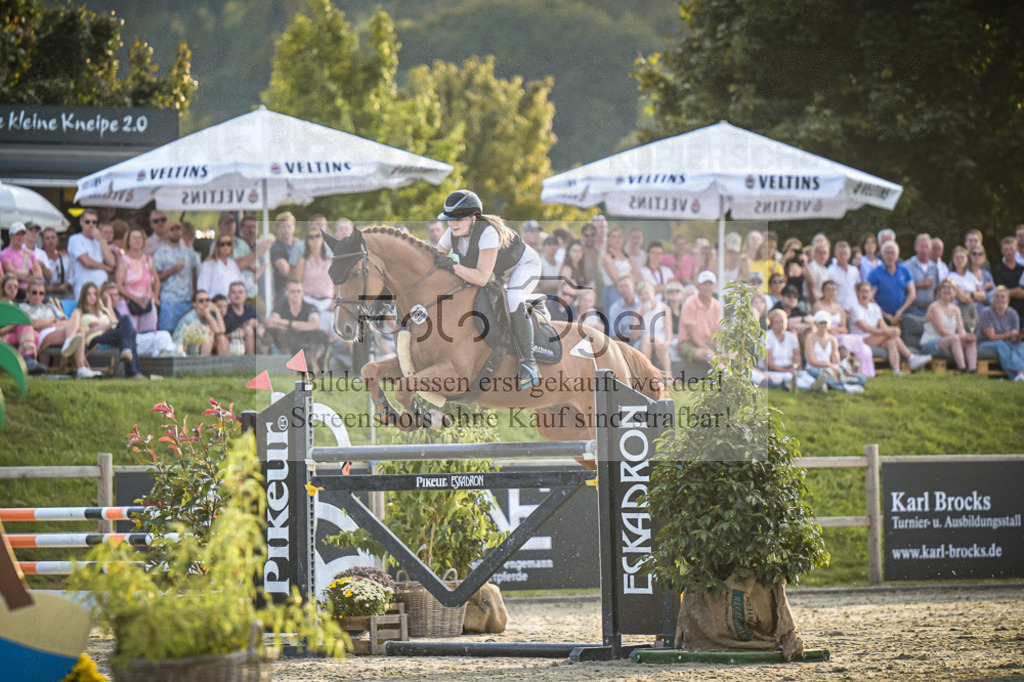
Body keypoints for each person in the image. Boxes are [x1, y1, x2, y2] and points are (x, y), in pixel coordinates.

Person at [434, 189, 543, 388]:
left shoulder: (488, 233)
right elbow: (435, 259)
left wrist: (452, 265)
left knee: (513, 298)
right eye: (450, 219)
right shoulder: (451, 233)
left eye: (458, 219)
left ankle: (530, 363)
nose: (452, 224)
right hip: (498, 272)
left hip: (524, 265)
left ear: (474, 218)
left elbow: (481, 278)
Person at [19, 280, 100, 378]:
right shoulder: (23, 307)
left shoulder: (50, 306)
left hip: (58, 329)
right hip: (40, 334)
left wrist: (48, 323)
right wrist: (53, 320)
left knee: (77, 317)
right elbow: (34, 324)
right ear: (28, 293)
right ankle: (80, 367)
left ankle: (69, 341)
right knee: (79, 330)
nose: (38, 296)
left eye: (41, 293)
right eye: (34, 292)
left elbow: (66, 321)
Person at [850, 281, 930, 374]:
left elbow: (882, 324)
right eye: (862, 291)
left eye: (867, 291)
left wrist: (890, 330)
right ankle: (911, 357)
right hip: (861, 339)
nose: (865, 294)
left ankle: (896, 371)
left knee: (891, 342)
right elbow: (864, 328)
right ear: (857, 293)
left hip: (876, 338)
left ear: (871, 293)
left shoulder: (875, 307)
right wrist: (888, 332)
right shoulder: (855, 307)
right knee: (892, 335)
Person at [67, 281, 142, 379]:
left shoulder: (103, 311)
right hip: (94, 339)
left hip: (109, 334)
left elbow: (116, 324)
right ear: (83, 296)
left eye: (95, 294)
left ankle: (127, 353)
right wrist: (95, 329)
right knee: (129, 334)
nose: (92, 297)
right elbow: (76, 333)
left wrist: (106, 317)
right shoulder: (79, 312)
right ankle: (133, 372)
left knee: (126, 320)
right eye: (89, 294)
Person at [262, 278, 329, 372]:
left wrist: (287, 323)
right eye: (292, 291)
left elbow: (314, 325)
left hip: (306, 342)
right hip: (287, 341)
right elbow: (272, 322)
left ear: (303, 293)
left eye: (298, 291)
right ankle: (264, 364)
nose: (296, 294)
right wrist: (303, 326)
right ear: (287, 293)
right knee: (267, 332)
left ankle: (317, 368)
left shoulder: (310, 307)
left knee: (320, 336)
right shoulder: (280, 307)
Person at [814, 280, 875, 379]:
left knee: (861, 345)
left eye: (833, 290)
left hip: (839, 334)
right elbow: (816, 324)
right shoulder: (818, 306)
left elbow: (844, 328)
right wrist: (828, 330)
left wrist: (837, 330)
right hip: (824, 333)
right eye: (828, 289)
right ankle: (845, 369)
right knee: (844, 342)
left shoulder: (839, 307)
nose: (830, 292)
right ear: (823, 291)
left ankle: (863, 372)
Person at [153, 220, 200, 333]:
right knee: (168, 333)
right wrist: (172, 270)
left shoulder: (190, 253)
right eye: (172, 229)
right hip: (169, 300)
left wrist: (195, 296)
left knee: (188, 334)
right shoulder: (160, 253)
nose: (175, 232)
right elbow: (156, 278)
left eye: (178, 229)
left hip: (187, 300)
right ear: (166, 233)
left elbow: (195, 275)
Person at [921, 279, 977, 373]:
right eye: (944, 287)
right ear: (939, 291)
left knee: (970, 339)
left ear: (954, 292)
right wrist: (961, 337)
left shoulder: (956, 309)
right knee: (955, 338)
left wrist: (967, 336)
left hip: (949, 340)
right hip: (930, 342)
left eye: (949, 287)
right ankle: (962, 369)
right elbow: (942, 331)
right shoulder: (934, 307)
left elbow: (961, 329)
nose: (947, 290)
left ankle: (972, 369)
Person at [114, 227, 160, 333]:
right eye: (134, 238)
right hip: (128, 302)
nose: (137, 240)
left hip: (147, 302)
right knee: (130, 333)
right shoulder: (123, 261)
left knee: (149, 333)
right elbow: (118, 285)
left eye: (139, 238)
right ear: (128, 241)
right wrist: (136, 299)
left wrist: (156, 297)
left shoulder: (148, 259)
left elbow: (156, 279)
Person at [0, 273, 46, 374]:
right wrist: (17, 321)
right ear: (3, 288)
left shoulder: (16, 305)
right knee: (28, 328)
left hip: (14, 336)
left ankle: (29, 361)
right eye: (9, 287)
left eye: (15, 287)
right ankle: (28, 361)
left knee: (34, 333)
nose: (13, 289)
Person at [293, 227, 335, 335]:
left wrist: (335, 301)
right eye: (311, 237)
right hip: (308, 302)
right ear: (307, 240)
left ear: (323, 239)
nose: (315, 239)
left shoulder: (330, 261)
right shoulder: (303, 260)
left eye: (318, 236)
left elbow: (337, 284)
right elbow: (297, 284)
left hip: (328, 303)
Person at [67, 209, 116, 300]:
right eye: (87, 222)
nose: (91, 224)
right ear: (81, 223)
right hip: (84, 288)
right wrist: (105, 267)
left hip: (102, 288)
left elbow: (112, 262)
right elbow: (86, 262)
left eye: (94, 222)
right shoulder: (75, 239)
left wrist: (101, 240)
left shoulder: (100, 241)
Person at [977, 287, 1024, 381]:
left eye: (1002, 297)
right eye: (997, 297)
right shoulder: (986, 312)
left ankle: (1020, 373)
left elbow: (1013, 339)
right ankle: (1014, 376)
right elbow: (992, 337)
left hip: (1007, 343)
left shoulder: (1013, 313)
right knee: (1001, 344)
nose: (999, 299)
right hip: (984, 343)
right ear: (993, 299)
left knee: (1021, 345)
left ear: (1008, 300)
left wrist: (1020, 335)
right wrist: (1010, 334)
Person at [677, 271, 722, 364]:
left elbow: (718, 332)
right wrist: (711, 350)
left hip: (709, 343)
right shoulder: (690, 303)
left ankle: (754, 374)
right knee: (709, 354)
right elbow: (693, 337)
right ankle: (725, 372)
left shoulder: (717, 305)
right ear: (698, 285)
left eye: (710, 284)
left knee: (732, 352)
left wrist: (720, 349)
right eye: (704, 284)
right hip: (688, 344)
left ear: (715, 286)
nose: (707, 287)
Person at [867, 241, 916, 324]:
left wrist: (900, 311)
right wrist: (883, 314)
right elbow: (870, 297)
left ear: (897, 255)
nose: (889, 256)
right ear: (882, 255)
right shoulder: (874, 273)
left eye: (892, 253)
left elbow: (912, 293)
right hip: (880, 318)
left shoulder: (905, 271)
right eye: (887, 253)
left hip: (901, 316)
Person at [804, 310, 851, 393]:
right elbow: (812, 361)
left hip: (828, 368)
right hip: (814, 368)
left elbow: (836, 360)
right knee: (822, 374)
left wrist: (840, 369)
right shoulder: (810, 338)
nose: (823, 325)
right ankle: (842, 388)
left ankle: (822, 385)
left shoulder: (832, 339)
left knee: (857, 378)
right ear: (816, 324)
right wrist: (829, 365)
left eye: (825, 323)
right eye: (821, 323)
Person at [172, 289, 229, 356]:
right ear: (194, 304)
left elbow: (221, 331)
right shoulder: (191, 318)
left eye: (207, 300)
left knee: (221, 337)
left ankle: (225, 362)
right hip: (180, 349)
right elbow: (216, 331)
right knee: (209, 337)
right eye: (201, 301)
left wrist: (217, 311)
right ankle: (204, 362)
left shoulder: (206, 315)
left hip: (194, 345)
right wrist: (207, 313)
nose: (205, 303)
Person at [635, 280, 672, 378]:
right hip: (644, 340)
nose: (644, 297)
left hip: (660, 338)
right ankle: (647, 373)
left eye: (646, 293)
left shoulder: (664, 308)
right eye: (641, 294)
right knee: (648, 337)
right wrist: (640, 317)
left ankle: (667, 374)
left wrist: (668, 342)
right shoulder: (638, 311)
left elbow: (668, 329)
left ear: (653, 293)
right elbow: (634, 335)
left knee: (657, 340)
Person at [760, 309, 800, 391]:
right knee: (782, 378)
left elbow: (797, 357)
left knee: (803, 377)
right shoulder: (766, 336)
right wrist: (784, 371)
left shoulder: (792, 337)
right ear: (771, 324)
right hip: (773, 370)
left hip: (789, 368)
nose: (780, 325)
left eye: (782, 321)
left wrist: (794, 367)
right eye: (777, 322)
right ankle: (787, 384)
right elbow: (768, 362)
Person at [1, 222, 43, 299]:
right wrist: (30, 273)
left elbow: (39, 273)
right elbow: (11, 272)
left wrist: (22, 275)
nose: (20, 237)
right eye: (17, 234)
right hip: (15, 293)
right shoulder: (5, 253)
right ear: (11, 236)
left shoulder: (30, 253)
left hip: (30, 293)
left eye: (22, 234)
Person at [600, 226, 637, 312]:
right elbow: (616, 278)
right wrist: (630, 278)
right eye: (613, 237)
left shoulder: (627, 255)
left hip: (630, 290)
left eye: (619, 236)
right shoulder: (607, 256)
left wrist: (630, 284)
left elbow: (638, 275)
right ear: (608, 239)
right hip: (613, 290)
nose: (617, 239)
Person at [947, 246, 983, 332]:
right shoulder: (951, 277)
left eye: (962, 257)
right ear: (953, 260)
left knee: (973, 334)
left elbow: (983, 296)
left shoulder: (971, 276)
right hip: (959, 312)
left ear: (967, 259)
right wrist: (975, 296)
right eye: (957, 258)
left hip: (973, 311)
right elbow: (962, 298)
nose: (959, 260)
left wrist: (969, 294)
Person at [197, 234, 244, 300]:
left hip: (231, 303)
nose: (225, 246)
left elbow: (241, 282)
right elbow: (202, 287)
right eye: (222, 244)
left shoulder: (232, 264)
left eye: (228, 244)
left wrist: (257, 274)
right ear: (217, 246)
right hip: (214, 302)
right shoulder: (208, 264)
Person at [270, 212, 304, 300]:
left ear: (294, 227)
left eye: (289, 226)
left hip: (302, 288)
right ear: (278, 229)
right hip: (284, 292)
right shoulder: (276, 247)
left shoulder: (298, 244)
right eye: (283, 227)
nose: (286, 230)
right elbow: (286, 272)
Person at [992, 236, 1024, 328]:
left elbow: (1006, 292)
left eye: (1011, 249)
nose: (1009, 252)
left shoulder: (1022, 269)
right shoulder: (998, 270)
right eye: (1006, 249)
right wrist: (1018, 291)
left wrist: (1009, 292)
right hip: (1005, 314)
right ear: (1002, 251)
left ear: (1016, 250)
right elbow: (1000, 293)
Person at [903, 233, 938, 316]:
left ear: (930, 249)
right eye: (921, 246)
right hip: (912, 310)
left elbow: (937, 290)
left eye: (927, 247)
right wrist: (921, 284)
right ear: (916, 248)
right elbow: (902, 288)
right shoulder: (906, 266)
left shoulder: (934, 267)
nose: (924, 250)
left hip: (930, 311)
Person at [224, 281, 263, 355]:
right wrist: (246, 326)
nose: (237, 295)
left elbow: (263, 326)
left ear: (245, 296)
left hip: (254, 344)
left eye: (240, 292)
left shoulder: (252, 310)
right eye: (234, 292)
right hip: (232, 346)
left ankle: (266, 359)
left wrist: (256, 324)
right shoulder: (225, 311)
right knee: (248, 330)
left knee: (261, 331)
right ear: (228, 296)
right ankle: (250, 360)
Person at [607, 276, 644, 347]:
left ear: (633, 286)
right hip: (626, 341)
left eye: (626, 286)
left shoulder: (642, 302)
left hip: (645, 338)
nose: (624, 289)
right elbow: (616, 334)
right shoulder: (615, 308)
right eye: (621, 286)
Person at [825, 241, 860, 312]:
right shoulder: (830, 271)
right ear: (835, 254)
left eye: (845, 253)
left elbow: (857, 288)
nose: (843, 256)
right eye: (840, 254)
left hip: (855, 308)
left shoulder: (854, 270)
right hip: (839, 309)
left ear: (849, 254)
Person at [39, 227, 73, 300]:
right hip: (44, 295)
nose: (51, 241)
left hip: (64, 294)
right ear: (43, 241)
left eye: (53, 237)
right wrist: (46, 288)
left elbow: (72, 275)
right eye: (47, 238)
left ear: (57, 239)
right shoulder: (39, 258)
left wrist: (66, 285)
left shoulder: (65, 258)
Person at [717, 232, 749, 298]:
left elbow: (746, 280)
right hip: (717, 294)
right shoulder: (717, 261)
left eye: (734, 252)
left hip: (733, 296)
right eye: (730, 251)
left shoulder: (742, 262)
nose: (732, 254)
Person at [967, 244, 995, 314]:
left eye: (980, 254)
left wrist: (979, 291)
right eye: (974, 253)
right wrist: (984, 288)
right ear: (969, 256)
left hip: (987, 315)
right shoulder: (964, 274)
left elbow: (992, 298)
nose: (977, 256)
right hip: (969, 314)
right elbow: (965, 296)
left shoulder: (987, 275)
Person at [579, 222, 602, 288]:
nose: (589, 238)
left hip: (601, 288)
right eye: (586, 235)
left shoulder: (600, 254)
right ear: (582, 237)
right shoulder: (579, 253)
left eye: (592, 235)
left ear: (596, 236)